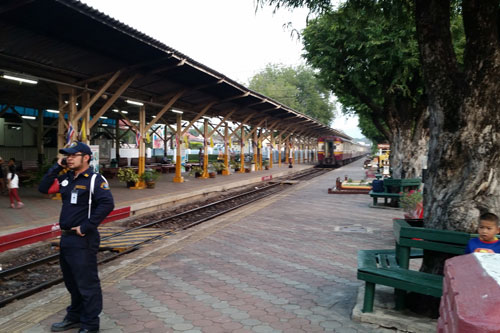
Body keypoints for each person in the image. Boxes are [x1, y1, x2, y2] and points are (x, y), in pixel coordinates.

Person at [39, 142, 114, 333]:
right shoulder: (66, 179)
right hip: (67, 239)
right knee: (72, 282)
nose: (69, 158)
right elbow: (43, 188)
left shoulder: (95, 179)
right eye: (67, 155)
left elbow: (107, 204)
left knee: (87, 284)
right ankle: (74, 316)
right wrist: (57, 166)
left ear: (86, 157)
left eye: (74, 155)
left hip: (83, 239)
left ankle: (90, 324)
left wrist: (87, 226)